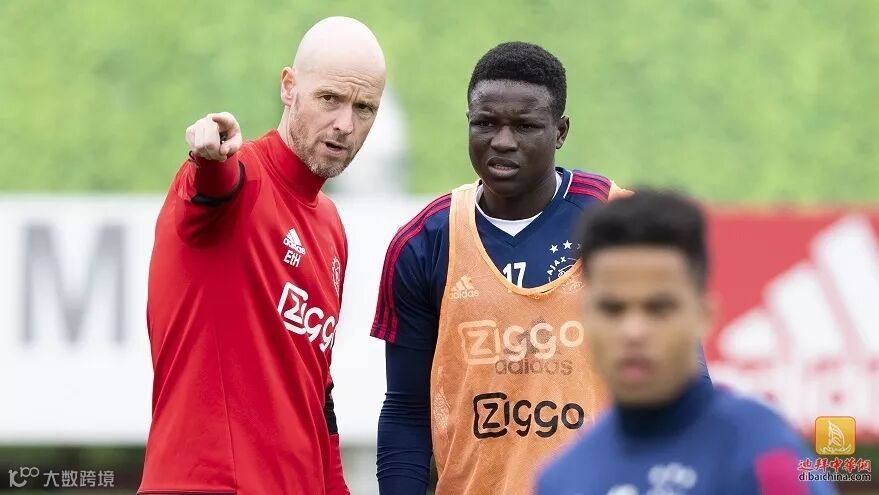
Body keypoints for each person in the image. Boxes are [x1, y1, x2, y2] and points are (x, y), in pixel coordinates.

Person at [370, 42, 711, 495]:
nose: (502, 141)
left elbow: (684, 384)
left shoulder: (618, 224)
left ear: (560, 131)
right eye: (485, 123)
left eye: (525, 126)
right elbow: (406, 410)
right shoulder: (425, 243)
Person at [139, 17, 386, 495]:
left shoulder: (331, 226)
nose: (345, 124)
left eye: (364, 108)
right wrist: (210, 157)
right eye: (330, 98)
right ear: (289, 87)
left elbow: (318, 394)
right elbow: (214, 186)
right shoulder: (240, 178)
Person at [537, 191, 837, 495]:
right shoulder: (561, 479)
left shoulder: (761, 448)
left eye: (659, 308)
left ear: (703, 316)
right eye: (613, 309)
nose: (633, 332)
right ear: (586, 317)